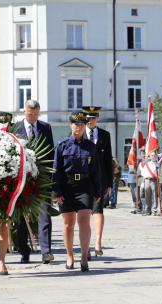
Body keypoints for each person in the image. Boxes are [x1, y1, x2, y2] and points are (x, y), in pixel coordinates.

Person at [53, 111, 102, 272]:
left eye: (81, 124)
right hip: (67, 187)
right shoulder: (62, 146)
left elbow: (96, 170)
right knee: (68, 224)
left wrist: (97, 192)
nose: (78, 127)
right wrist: (57, 192)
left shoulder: (91, 147)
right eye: (75, 124)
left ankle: (83, 256)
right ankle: (69, 255)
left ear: (84, 126)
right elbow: (57, 171)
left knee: (84, 220)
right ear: (70, 125)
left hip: (85, 186)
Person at [13, 101, 55, 265]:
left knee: (44, 215)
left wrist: (51, 179)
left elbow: (50, 152)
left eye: (35, 113)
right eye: (30, 113)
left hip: (42, 180)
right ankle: (24, 251)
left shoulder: (46, 128)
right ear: (25, 111)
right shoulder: (15, 128)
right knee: (21, 218)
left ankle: (46, 252)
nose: (32, 116)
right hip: (21, 180)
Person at [83, 106, 114, 258]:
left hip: (99, 180)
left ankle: (97, 243)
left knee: (98, 210)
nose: (90, 121)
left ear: (97, 118)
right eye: (88, 118)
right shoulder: (79, 133)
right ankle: (85, 245)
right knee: (83, 214)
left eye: (93, 118)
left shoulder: (105, 135)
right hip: (83, 180)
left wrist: (109, 183)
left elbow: (108, 160)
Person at [139, 151, 159, 216]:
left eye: (154, 155)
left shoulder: (157, 164)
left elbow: (158, 174)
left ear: (155, 156)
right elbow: (144, 174)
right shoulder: (147, 164)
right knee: (147, 195)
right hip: (147, 180)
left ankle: (154, 210)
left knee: (154, 195)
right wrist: (142, 183)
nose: (153, 156)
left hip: (154, 180)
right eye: (152, 155)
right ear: (150, 156)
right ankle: (148, 210)